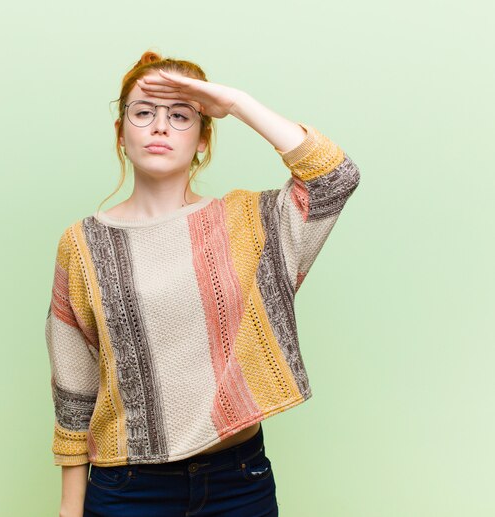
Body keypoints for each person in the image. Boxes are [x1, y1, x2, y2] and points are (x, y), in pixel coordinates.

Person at [45, 50, 361, 517]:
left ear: (202, 139)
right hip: (129, 489)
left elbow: (334, 177)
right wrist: (70, 511)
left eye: (180, 115)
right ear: (121, 133)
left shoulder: (247, 223)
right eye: (143, 112)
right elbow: (74, 389)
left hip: (239, 482)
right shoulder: (83, 243)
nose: (159, 127)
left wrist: (234, 102)